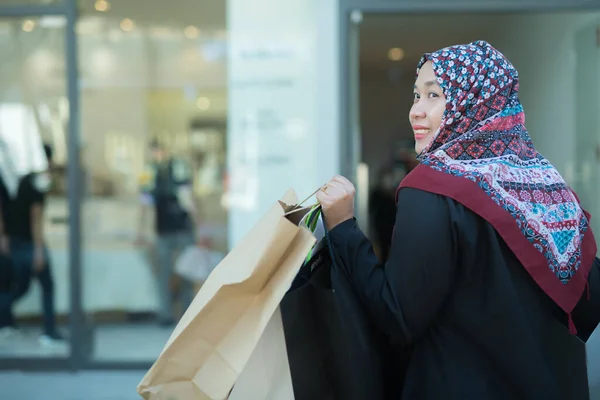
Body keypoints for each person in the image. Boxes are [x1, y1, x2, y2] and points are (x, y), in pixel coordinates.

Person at [317, 40, 600, 399]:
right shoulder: (547, 186)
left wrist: (343, 227)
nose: (415, 111)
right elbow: (588, 304)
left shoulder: (433, 187)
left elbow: (397, 316)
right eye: (416, 96)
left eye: (433, 96)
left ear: (477, 102)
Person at [0, 143, 64, 344]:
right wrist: (38, 249)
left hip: (12, 242)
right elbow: (35, 218)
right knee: (47, 285)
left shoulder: (9, 180)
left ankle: (5, 322)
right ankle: (49, 331)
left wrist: (3, 237)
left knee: (19, 287)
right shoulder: (35, 183)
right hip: (28, 243)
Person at [136, 140, 201, 326]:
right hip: (164, 230)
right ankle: (167, 314)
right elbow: (144, 203)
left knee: (186, 272)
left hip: (181, 228)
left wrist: (200, 227)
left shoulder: (178, 168)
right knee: (164, 274)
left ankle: (187, 311)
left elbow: (189, 199)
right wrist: (140, 231)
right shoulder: (149, 172)